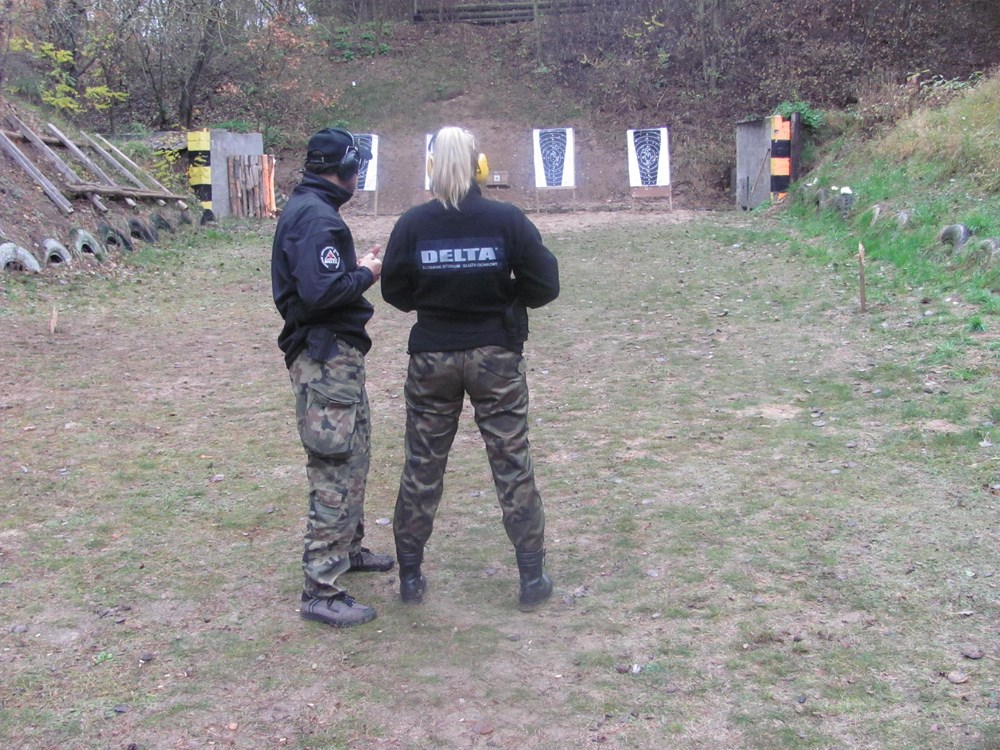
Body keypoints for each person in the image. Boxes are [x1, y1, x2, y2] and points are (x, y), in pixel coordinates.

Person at [381, 126, 560, 612]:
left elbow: (394, 291)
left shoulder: (412, 224)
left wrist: (434, 300)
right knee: (512, 463)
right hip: (495, 356)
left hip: (432, 356)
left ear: (431, 167)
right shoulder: (506, 219)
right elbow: (545, 285)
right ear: (480, 166)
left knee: (422, 465)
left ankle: (411, 577)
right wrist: (503, 296)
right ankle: (531, 578)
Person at [271, 127, 393, 628]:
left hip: (335, 357)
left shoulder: (313, 210)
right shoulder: (318, 217)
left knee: (354, 453)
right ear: (345, 169)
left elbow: (318, 282)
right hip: (325, 359)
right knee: (334, 466)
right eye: (356, 166)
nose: (358, 174)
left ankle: (347, 550)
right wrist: (367, 273)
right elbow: (321, 294)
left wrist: (355, 267)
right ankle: (321, 588)